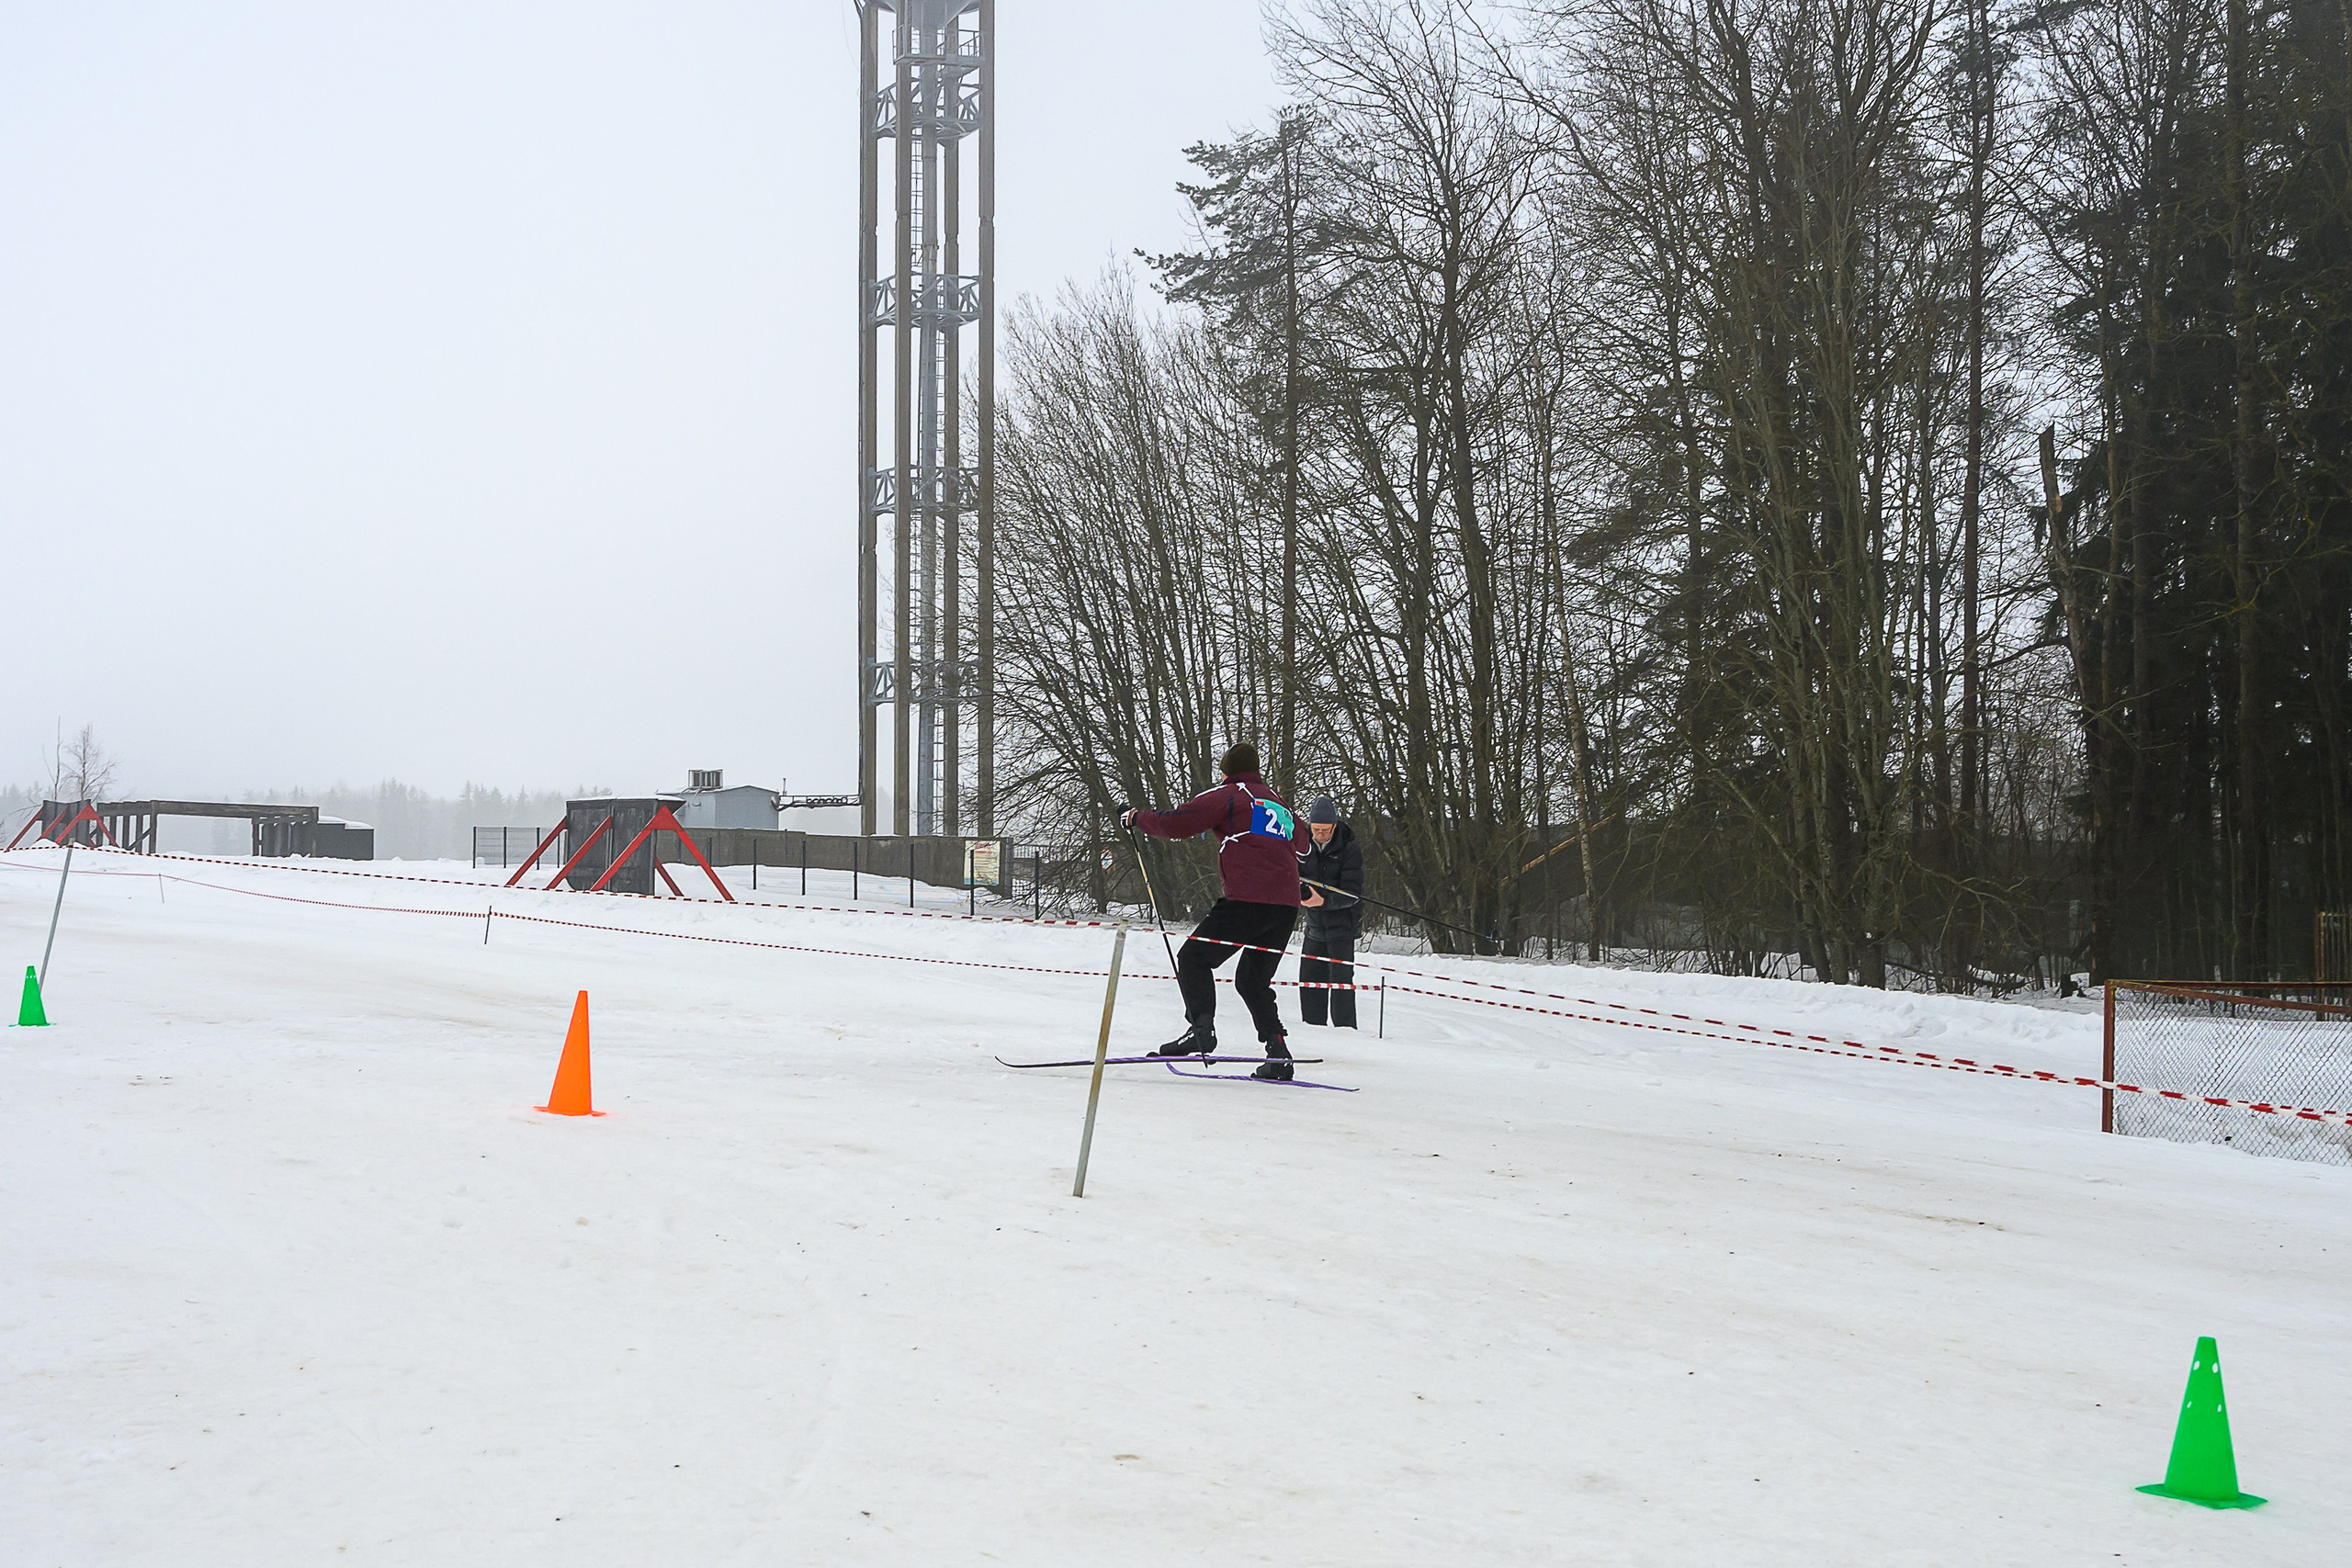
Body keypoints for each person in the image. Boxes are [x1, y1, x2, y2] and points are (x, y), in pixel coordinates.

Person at [1123, 743, 1303, 1081]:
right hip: (1285, 905)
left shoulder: (1231, 794)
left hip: (1249, 899)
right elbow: (1304, 844)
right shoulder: (1277, 801)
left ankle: (1201, 1029)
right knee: (1252, 980)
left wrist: (1136, 818)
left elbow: (1177, 823)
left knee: (1193, 958)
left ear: (1226, 772)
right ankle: (1278, 1052)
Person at [1295, 797, 1363, 1028]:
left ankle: (1345, 1032)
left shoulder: (1349, 848)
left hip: (1342, 928)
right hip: (1314, 928)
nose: (1320, 835)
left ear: (1334, 826)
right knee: (1309, 981)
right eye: (1316, 830)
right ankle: (1313, 1030)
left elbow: (1353, 894)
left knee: (1341, 984)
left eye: (1325, 830)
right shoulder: (1303, 844)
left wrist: (1323, 901)